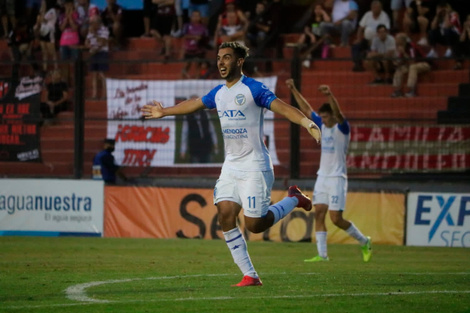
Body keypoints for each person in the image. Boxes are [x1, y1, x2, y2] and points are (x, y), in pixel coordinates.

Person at [141, 41, 321, 287]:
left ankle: (294, 199)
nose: (221, 63)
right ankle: (250, 275)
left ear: (239, 61)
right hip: (231, 166)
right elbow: (193, 103)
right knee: (225, 215)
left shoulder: (253, 89)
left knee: (255, 225)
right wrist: (165, 112)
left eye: (226, 58)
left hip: (255, 165)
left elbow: (283, 108)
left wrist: (307, 123)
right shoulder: (219, 93)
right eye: (218, 58)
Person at [285, 78, 372, 263]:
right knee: (319, 214)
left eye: (325, 117)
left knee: (336, 219)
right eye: (322, 117)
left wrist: (329, 95)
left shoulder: (343, 128)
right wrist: (293, 89)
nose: (322, 120)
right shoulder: (322, 126)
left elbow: (339, 113)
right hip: (322, 177)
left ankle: (364, 241)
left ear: (332, 116)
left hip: (337, 178)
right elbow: (307, 109)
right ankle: (323, 255)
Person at [351, 0, 390, 72]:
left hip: (378, 41)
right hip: (367, 39)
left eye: (377, 8)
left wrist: (376, 39)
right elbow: (360, 28)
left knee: (372, 49)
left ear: (381, 8)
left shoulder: (384, 16)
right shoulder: (367, 15)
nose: (375, 9)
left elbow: (386, 30)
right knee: (356, 46)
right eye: (374, 8)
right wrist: (359, 39)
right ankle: (357, 64)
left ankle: (375, 65)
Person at [391, 33, 430, 97]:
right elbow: (402, 62)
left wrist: (404, 53)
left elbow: (412, 61)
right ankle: (397, 90)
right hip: (410, 64)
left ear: (403, 40)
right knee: (400, 69)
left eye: (398, 40)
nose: (396, 42)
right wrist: (396, 62)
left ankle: (411, 90)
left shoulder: (411, 46)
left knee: (412, 67)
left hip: (424, 63)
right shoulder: (400, 47)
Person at [85, 15, 109, 99]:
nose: (91, 25)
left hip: (101, 52)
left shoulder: (104, 30)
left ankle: (104, 94)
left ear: (98, 23)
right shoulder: (90, 30)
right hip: (93, 53)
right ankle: (94, 94)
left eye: (92, 23)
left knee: (101, 73)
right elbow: (87, 41)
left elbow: (103, 42)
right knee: (94, 74)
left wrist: (95, 34)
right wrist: (88, 45)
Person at [181, 10, 209, 79]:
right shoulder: (187, 26)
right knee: (186, 65)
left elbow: (206, 37)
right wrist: (194, 37)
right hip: (189, 49)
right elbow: (184, 35)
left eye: (197, 16)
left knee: (198, 64)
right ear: (191, 17)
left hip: (199, 49)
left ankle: (197, 79)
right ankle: (182, 79)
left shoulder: (203, 27)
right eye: (194, 16)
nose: (196, 18)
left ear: (200, 17)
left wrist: (201, 39)